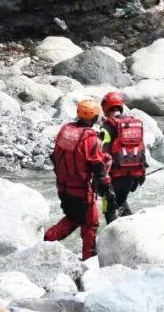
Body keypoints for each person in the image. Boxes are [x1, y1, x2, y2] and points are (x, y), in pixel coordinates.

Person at [44, 99, 116, 259]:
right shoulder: (89, 138)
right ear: (94, 117)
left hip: (63, 187)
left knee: (74, 218)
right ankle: (88, 258)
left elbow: (55, 156)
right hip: (80, 189)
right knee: (90, 222)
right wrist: (108, 192)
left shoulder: (65, 130)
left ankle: (48, 240)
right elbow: (98, 168)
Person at [98, 91, 147, 223]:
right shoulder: (134, 123)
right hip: (134, 175)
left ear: (105, 107)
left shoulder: (108, 126)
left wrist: (99, 178)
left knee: (108, 207)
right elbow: (142, 149)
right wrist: (142, 173)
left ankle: (113, 236)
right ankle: (130, 226)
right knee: (121, 200)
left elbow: (102, 152)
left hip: (114, 176)